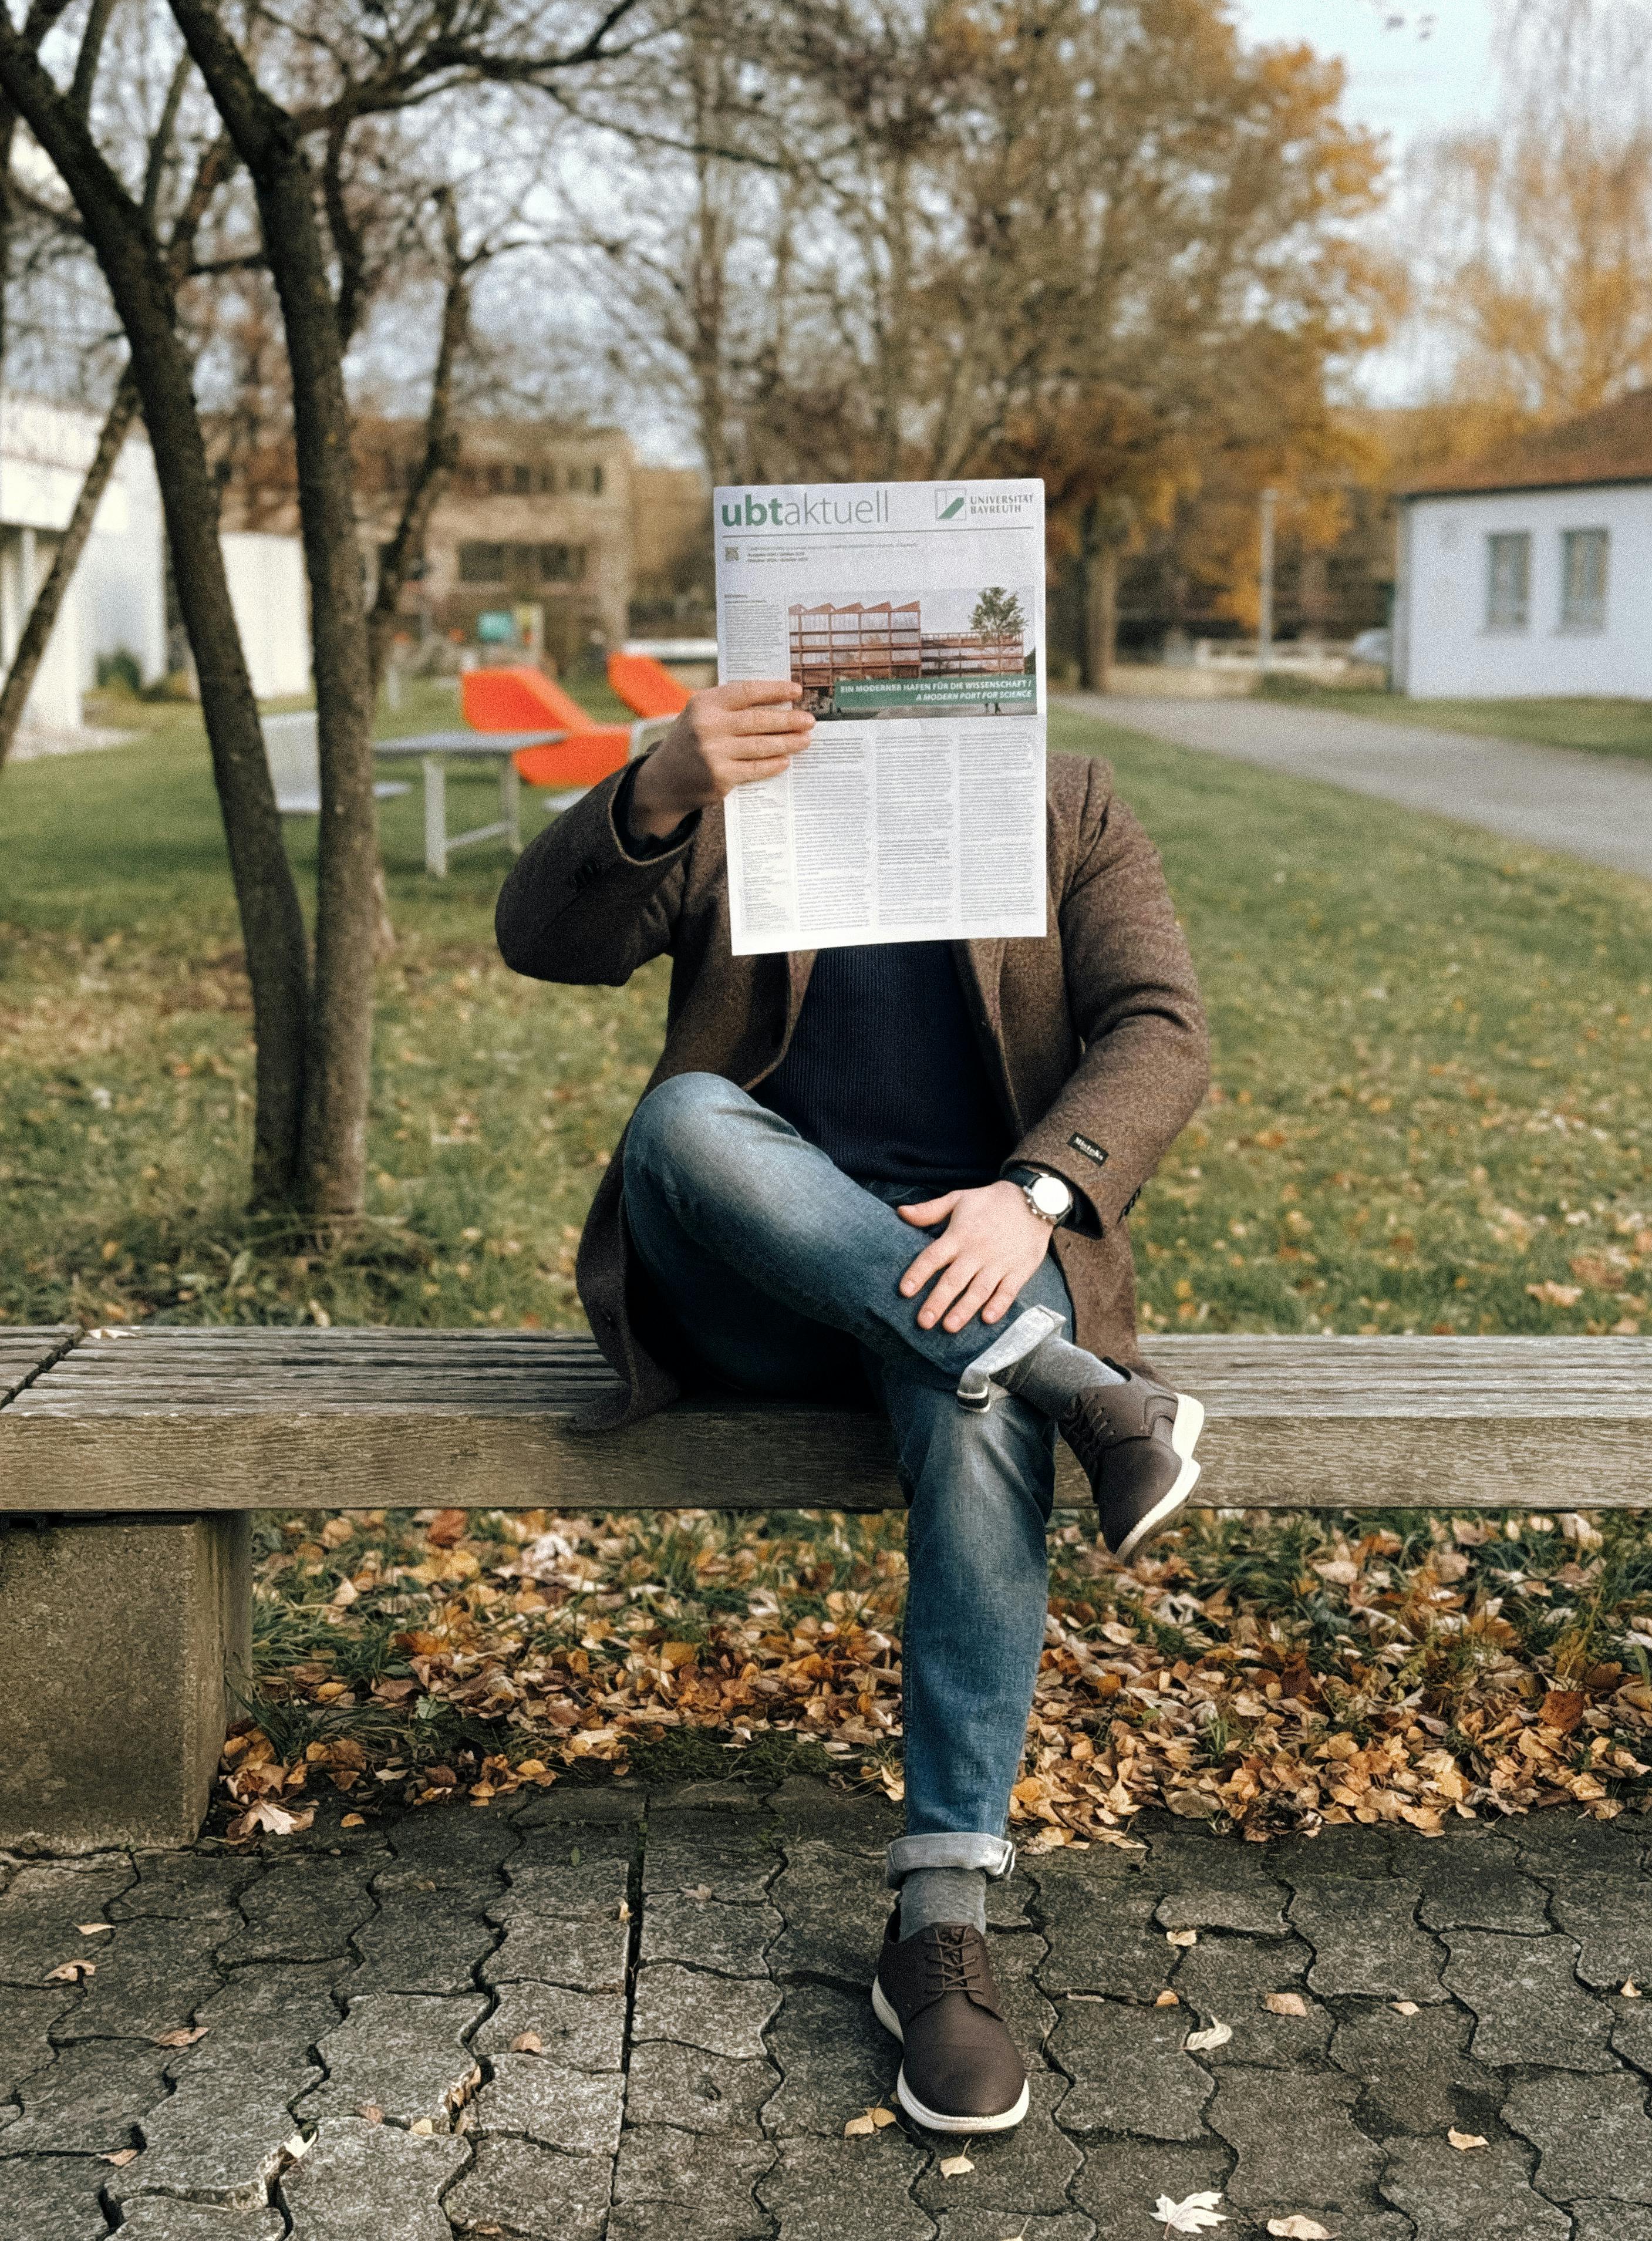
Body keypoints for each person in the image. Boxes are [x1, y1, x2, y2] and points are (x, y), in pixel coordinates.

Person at [495, 677, 1209, 2135]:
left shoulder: (1065, 805)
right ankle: (1066, 1379)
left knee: (966, 1393)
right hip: (760, 1277)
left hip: (973, 1259)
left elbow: (1161, 1030)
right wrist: (661, 787)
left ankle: (936, 1931)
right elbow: (542, 941)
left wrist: (1033, 1195)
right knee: (682, 1117)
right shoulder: (738, 794)